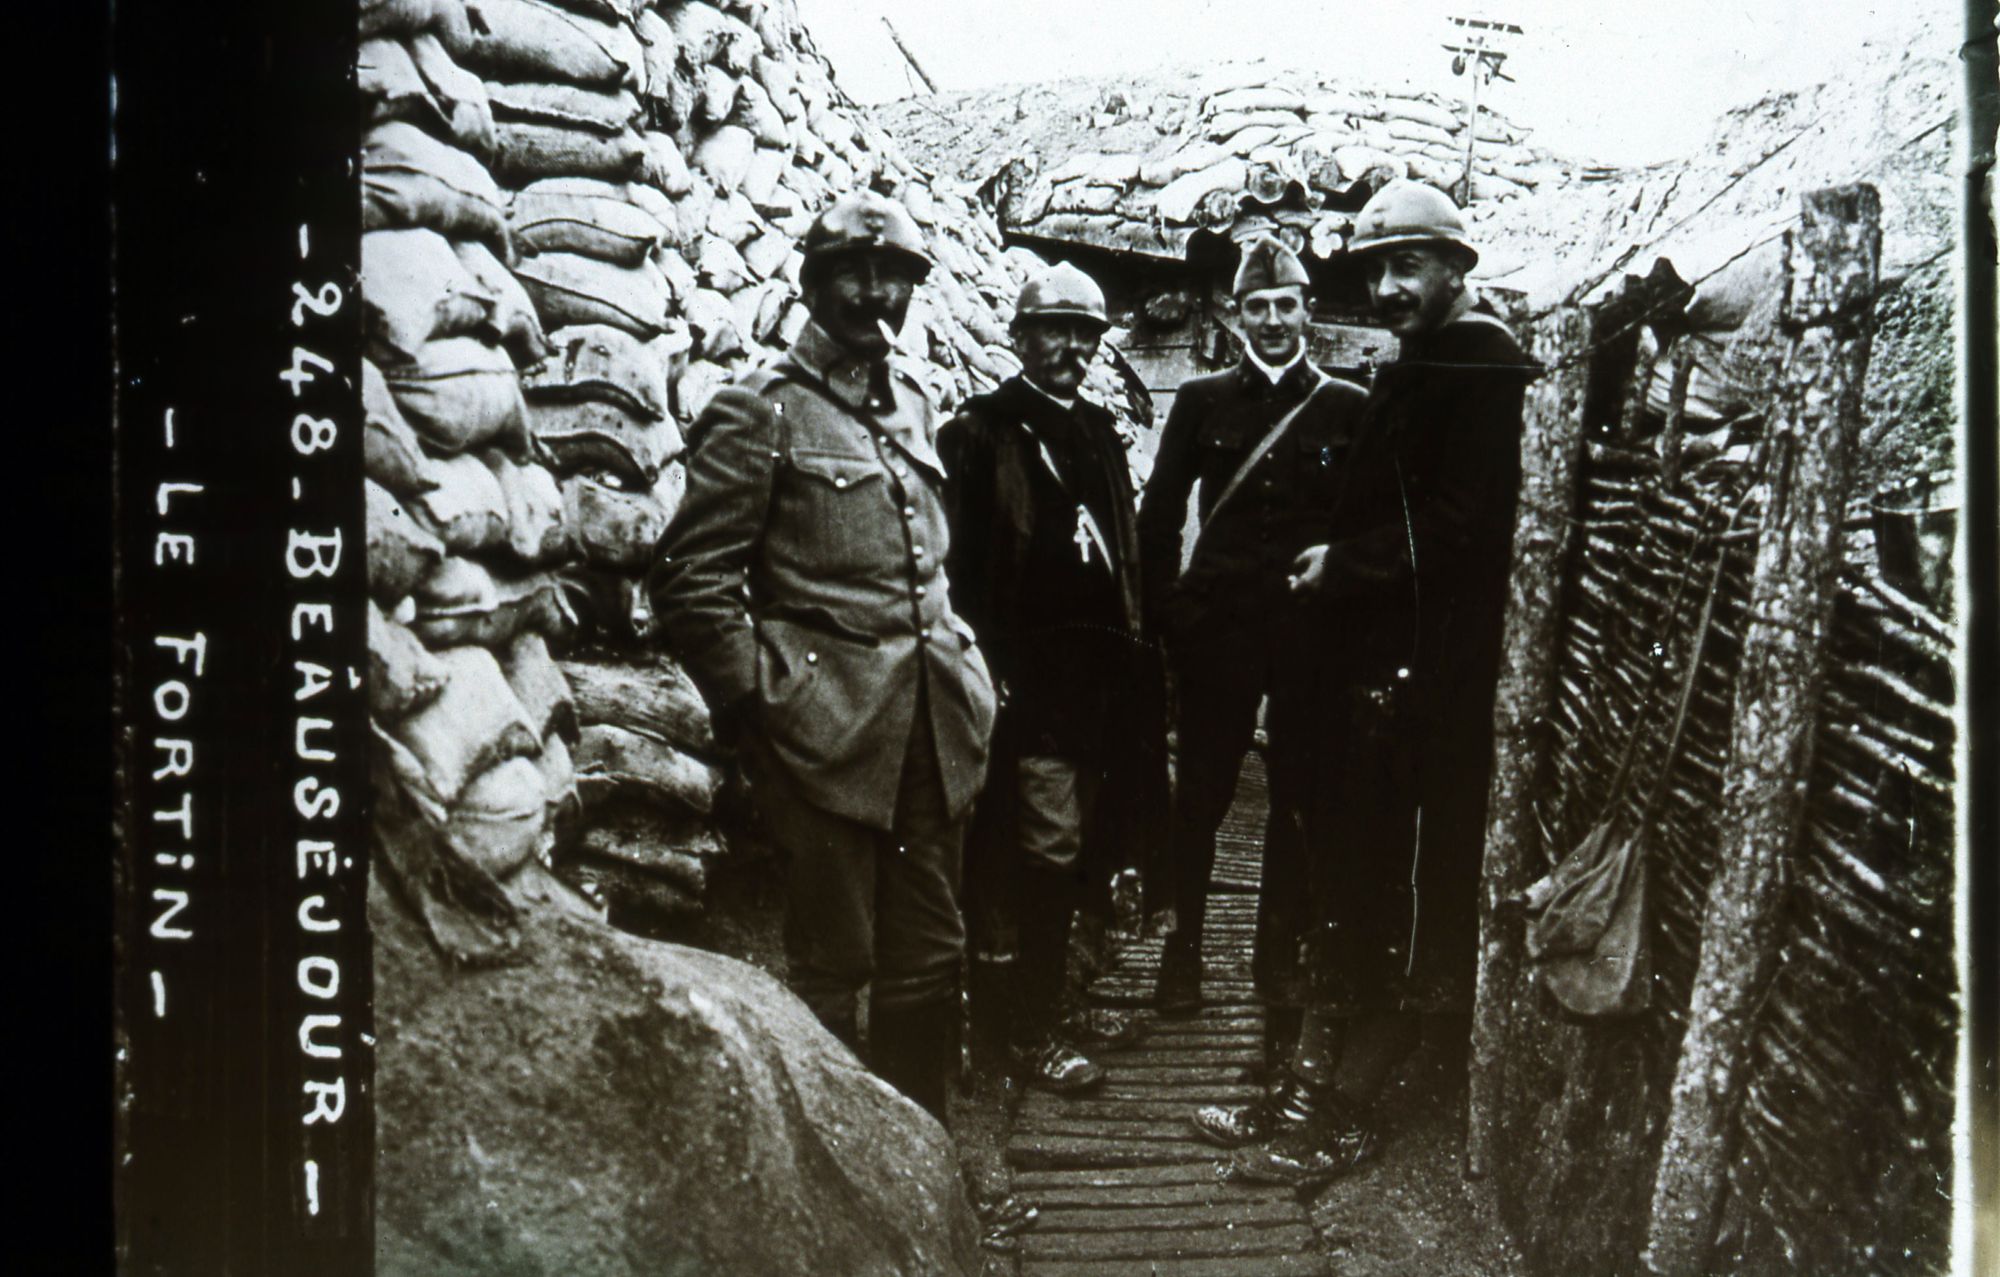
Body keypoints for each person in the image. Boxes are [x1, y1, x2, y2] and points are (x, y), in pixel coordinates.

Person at [1197, 180, 1538, 1186]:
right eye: (1378, 269)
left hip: (1431, 676)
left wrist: (1345, 564)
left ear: (1455, 268)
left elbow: (1466, 524)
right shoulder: (1423, 359)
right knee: (1343, 873)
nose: (1389, 287)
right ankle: (1305, 1081)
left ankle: (1340, 1105)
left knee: (1388, 885)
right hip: (1375, 671)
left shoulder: (1480, 367)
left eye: (1408, 266)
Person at [648, 191, 996, 1127]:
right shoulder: (759, 409)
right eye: (854, 274)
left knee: (931, 949)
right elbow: (692, 581)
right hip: (824, 735)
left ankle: (920, 1161)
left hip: (933, 728)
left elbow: (925, 565)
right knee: (834, 961)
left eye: (896, 277)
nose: (877, 294)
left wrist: (966, 671)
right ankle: (836, 1163)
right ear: (812, 284)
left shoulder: (915, 401)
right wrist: (765, 705)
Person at [1134, 235, 1369, 1059]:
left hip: (1309, 639)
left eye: (1285, 305)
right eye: (1257, 307)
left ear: (1309, 311)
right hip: (1219, 632)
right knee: (1201, 794)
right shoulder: (1201, 400)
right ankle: (1184, 947)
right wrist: (1170, 613)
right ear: (1238, 315)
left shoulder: (1346, 406)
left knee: (1299, 802)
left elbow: (1365, 522)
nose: (1272, 320)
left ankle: (1280, 971)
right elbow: (1159, 515)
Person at [938, 262, 1161, 1095]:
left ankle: (1057, 999)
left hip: (1098, 684)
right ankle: (1025, 1029)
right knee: (1038, 850)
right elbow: (958, 571)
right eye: (1053, 331)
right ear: (1020, 338)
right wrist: (987, 673)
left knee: (1088, 847)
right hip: (1026, 686)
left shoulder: (1098, 431)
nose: (1071, 347)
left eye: (1084, 333)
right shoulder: (981, 432)